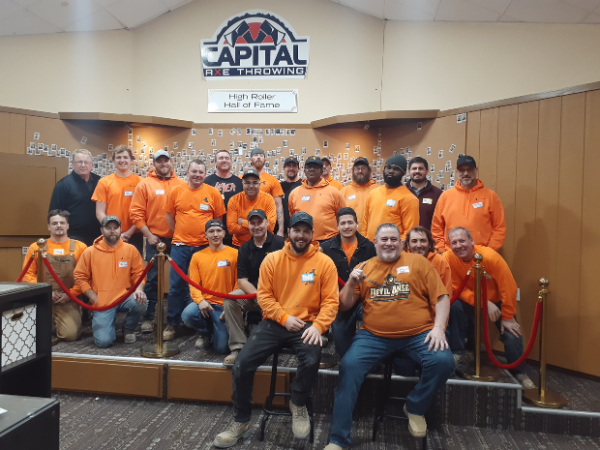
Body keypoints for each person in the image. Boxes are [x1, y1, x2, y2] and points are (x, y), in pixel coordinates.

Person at [324, 223, 455, 450]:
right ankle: (338, 439)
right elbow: (344, 306)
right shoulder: (364, 267)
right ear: (375, 243)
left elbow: (442, 298)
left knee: (444, 362)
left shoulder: (419, 263)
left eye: (393, 239)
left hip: (419, 334)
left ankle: (414, 406)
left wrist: (438, 328)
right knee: (349, 367)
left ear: (401, 243)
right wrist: (352, 282)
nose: (388, 243)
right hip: (373, 336)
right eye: (383, 239)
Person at [213, 212, 339, 448]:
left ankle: (298, 401)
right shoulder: (272, 260)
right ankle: (241, 421)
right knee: (242, 364)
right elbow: (264, 297)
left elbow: (331, 302)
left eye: (306, 231)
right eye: (296, 230)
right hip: (274, 322)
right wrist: (284, 317)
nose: (301, 235)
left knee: (312, 358)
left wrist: (320, 326)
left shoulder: (325, 263)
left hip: (308, 325)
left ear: (312, 234)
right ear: (288, 233)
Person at [444, 227, 534, 388]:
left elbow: (509, 287)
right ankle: (459, 354)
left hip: (498, 302)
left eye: (462, 241)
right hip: (470, 300)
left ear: (471, 241)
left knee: (512, 335)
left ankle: (519, 372)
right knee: (454, 307)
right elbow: (457, 288)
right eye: (454, 242)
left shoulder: (491, 257)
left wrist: (507, 316)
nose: (459, 246)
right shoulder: (448, 259)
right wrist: (483, 302)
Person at [163, 160, 226, 341]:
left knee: (204, 287)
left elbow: (217, 221)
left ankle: (202, 327)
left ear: (205, 174)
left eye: (201, 172)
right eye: (194, 171)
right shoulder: (176, 191)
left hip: (205, 248)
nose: (197, 175)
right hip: (180, 246)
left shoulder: (212, 193)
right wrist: (181, 234)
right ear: (187, 172)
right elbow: (169, 217)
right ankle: (173, 324)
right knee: (176, 287)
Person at [130, 150, 184, 333]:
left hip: (178, 239)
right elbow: (136, 213)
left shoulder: (182, 184)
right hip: (155, 239)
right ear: (154, 164)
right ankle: (148, 317)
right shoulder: (145, 184)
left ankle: (178, 318)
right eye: (159, 161)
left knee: (180, 279)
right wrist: (148, 235)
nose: (163, 164)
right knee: (152, 279)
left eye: (165, 160)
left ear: (171, 162)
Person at [222, 208, 285, 366]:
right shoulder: (244, 249)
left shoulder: (280, 243)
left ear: (267, 223)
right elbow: (242, 281)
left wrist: (270, 298)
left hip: (279, 296)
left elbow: (288, 275)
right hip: (254, 295)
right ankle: (238, 347)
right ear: (248, 226)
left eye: (259, 222)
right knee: (231, 299)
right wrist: (260, 296)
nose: (256, 226)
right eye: (252, 223)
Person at [73, 216, 147, 348]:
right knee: (104, 342)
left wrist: (139, 290)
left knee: (141, 302)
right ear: (102, 230)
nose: (112, 231)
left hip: (125, 297)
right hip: (102, 302)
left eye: (115, 228)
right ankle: (108, 326)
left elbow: (139, 273)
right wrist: (94, 297)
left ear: (120, 229)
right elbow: (80, 277)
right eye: (108, 228)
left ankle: (128, 328)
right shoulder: (90, 252)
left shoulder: (131, 250)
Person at [22, 210, 87, 343]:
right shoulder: (36, 247)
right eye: (54, 223)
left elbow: (86, 276)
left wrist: (71, 294)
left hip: (67, 298)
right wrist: (44, 291)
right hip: (42, 298)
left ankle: (57, 325)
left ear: (67, 226)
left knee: (71, 335)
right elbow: (27, 275)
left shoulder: (80, 247)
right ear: (49, 227)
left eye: (62, 223)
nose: (58, 225)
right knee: (27, 334)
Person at [320, 207, 376, 357]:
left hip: (364, 299)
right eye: (342, 223)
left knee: (378, 327)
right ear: (337, 226)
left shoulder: (369, 247)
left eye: (350, 222)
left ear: (357, 224)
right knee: (343, 351)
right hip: (339, 301)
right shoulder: (325, 249)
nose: (346, 226)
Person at [181, 220, 238, 353]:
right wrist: (200, 301)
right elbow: (194, 284)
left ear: (224, 233)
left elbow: (239, 283)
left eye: (218, 231)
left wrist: (231, 305)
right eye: (211, 231)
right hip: (205, 304)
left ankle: (217, 331)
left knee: (222, 349)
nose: (215, 234)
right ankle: (205, 334)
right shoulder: (197, 257)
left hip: (225, 305)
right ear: (205, 235)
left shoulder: (235, 254)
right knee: (188, 314)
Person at [431, 155, 506, 253]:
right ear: (457, 172)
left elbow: (499, 228)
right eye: (462, 170)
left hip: (481, 256)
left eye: (469, 170)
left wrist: (489, 251)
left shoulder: (490, 196)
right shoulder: (446, 196)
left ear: (476, 170)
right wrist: (442, 250)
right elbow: (436, 228)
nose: (466, 173)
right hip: (452, 254)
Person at [92, 145, 143, 253]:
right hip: (111, 235)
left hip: (135, 235)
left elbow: (144, 213)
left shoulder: (141, 182)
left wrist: (128, 233)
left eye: (125, 157)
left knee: (133, 268)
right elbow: (99, 212)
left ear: (131, 160)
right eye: (119, 158)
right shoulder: (104, 182)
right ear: (114, 161)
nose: (122, 160)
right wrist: (113, 231)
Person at [49, 149, 101, 246]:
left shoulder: (100, 182)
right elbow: (54, 213)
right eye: (79, 162)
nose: (83, 165)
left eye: (86, 162)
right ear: (72, 164)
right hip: (74, 236)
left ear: (91, 165)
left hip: (97, 235)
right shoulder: (63, 184)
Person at [362, 154, 419, 242]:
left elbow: (409, 232)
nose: (391, 171)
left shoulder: (409, 199)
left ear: (403, 172)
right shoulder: (373, 193)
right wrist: (364, 243)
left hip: (391, 250)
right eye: (388, 167)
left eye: (396, 169)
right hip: (370, 249)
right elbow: (366, 223)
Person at [288, 156, 346, 242]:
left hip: (329, 241)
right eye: (309, 167)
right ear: (304, 170)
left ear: (321, 170)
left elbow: (343, 217)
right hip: (302, 241)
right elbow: (292, 217)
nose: (311, 169)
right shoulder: (294, 193)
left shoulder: (334, 192)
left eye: (315, 167)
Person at [226, 169, 276, 247]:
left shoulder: (268, 199)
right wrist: (260, 228)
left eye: (255, 183)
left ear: (259, 184)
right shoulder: (234, 200)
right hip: (240, 245)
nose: (251, 186)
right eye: (247, 183)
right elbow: (231, 229)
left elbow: (270, 227)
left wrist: (242, 222)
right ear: (243, 184)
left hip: (264, 244)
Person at [205, 150, 244, 247]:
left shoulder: (239, 182)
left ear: (231, 162)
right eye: (221, 158)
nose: (224, 160)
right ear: (215, 162)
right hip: (213, 232)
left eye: (227, 158)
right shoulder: (207, 181)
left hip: (235, 232)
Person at [246, 148, 285, 237]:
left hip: (267, 228)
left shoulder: (273, 180)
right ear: (251, 159)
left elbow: (278, 206)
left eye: (261, 155)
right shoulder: (242, 178)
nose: (258, 157)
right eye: (256, 155)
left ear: (265, 160)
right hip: (246, 227)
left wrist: (281, 230)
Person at [404, 226, 453, 296]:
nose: (419, 245)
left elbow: (447, 292)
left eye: (423, 241)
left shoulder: (440, 261)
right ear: (408, 245)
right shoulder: (401, 262)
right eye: (414, 241)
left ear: (430, 244)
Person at [339, 157, 378, 233]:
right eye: (357, 169)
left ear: (369, 171)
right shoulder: (343, 192)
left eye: (363, 168)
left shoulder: (378, 190)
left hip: (372, 237)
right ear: (353, 171)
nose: (360, 171)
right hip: (350, 237)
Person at [406, 157, 442, 231]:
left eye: (421, 168)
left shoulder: (438, 194)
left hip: (428, 240)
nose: (417, 171)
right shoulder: (401, 192)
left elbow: (441, 221)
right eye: (414, 168)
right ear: (409, 171)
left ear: (427, 171)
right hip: (405, 240)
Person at [279, 157, 302, 234]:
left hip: (299, 229)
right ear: (284, 169)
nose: (291, 168)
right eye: (288, 166)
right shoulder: (279, 187)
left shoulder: (304, 185)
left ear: (298, 169)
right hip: (283, 231)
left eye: (294, 166)